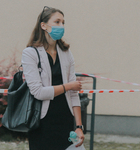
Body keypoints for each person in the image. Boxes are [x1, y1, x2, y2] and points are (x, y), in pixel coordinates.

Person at [21, 6, 84, 150]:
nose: (61, 26)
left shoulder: (66, 53)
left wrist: (79, 126)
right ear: (43, 25)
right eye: (57, 22)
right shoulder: (30, 53)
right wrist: (68, 86)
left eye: (63, 22)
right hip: (41, 122)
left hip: (65, 121)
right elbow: (38, 92)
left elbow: (74, 94)